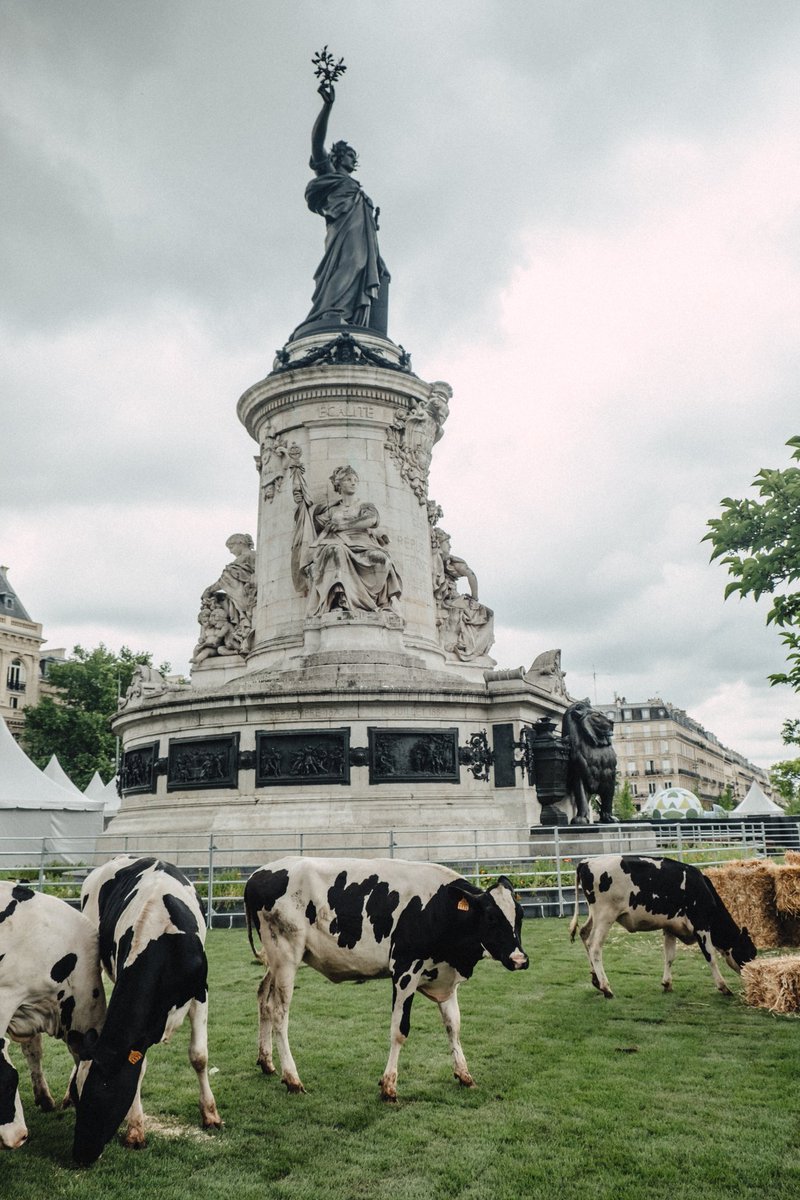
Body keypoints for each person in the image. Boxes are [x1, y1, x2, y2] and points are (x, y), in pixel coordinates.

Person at [291, 80, 390, 339]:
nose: (352, 158)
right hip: (343, 235)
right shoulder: (331, 174)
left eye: (353, 156)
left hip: (363, 238)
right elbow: (316, 143)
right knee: (348, 264)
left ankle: (352, 317)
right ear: (338, 155)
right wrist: (327, 106)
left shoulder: (356, 188)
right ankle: (331, 311)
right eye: (348, 154)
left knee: (364, 268)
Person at [300, 466, 402, 616]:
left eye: (355, 480)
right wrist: (302, 506)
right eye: (348, 480)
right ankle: (339, 600)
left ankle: (382, 602)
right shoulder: (331, 510)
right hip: (338, 543)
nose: (353, 483)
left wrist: (342, 525)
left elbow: (371, 519)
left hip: (363, 544)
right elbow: (312, 524)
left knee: (382, 559)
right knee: (335, 550)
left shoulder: (365, 506)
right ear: (339, 484)